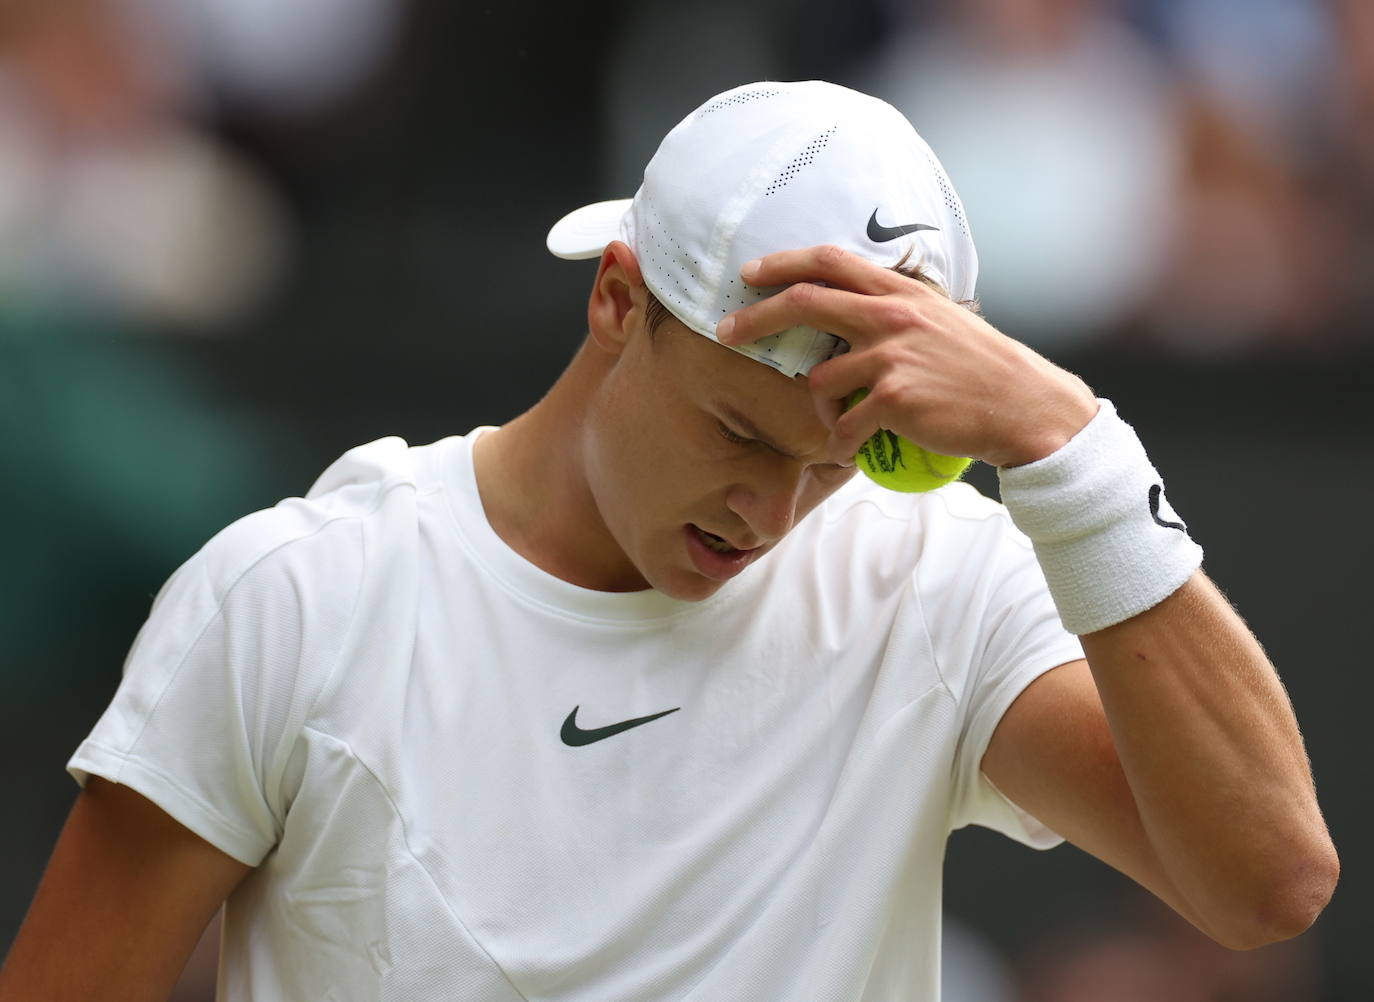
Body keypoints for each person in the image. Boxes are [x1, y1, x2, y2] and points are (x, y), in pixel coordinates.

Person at [0, 80, 1337, 1002]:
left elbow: (1266, 879)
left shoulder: (936, 580)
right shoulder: (299, 598)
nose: (771, 514)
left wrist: (1069, 443)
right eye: (742, 437)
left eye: (828, 467)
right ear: (615, 298)